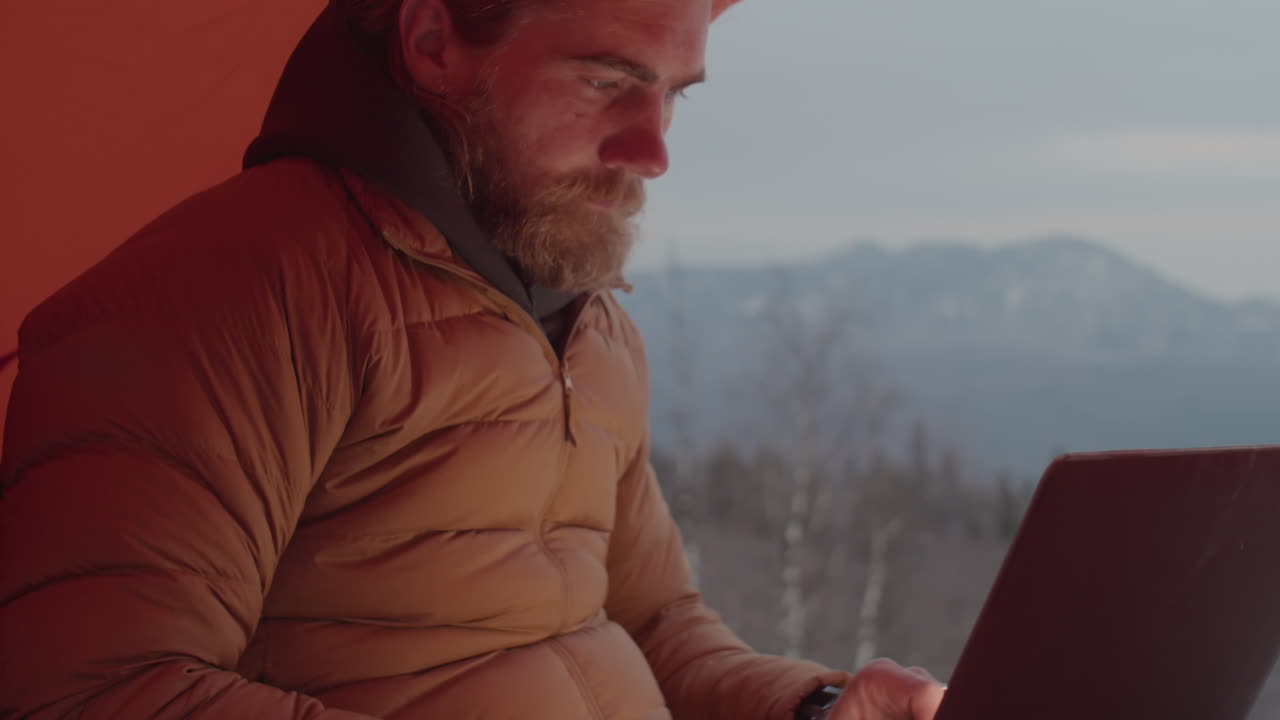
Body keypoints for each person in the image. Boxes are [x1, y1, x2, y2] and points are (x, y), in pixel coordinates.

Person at [0, 1, 946, 718]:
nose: (652, 148)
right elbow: (94, 688)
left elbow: (656, 624)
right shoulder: (236, 290)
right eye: (601, 79)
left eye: (670, 94)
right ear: (434, 44)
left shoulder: (590, 321)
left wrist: (812, 707)